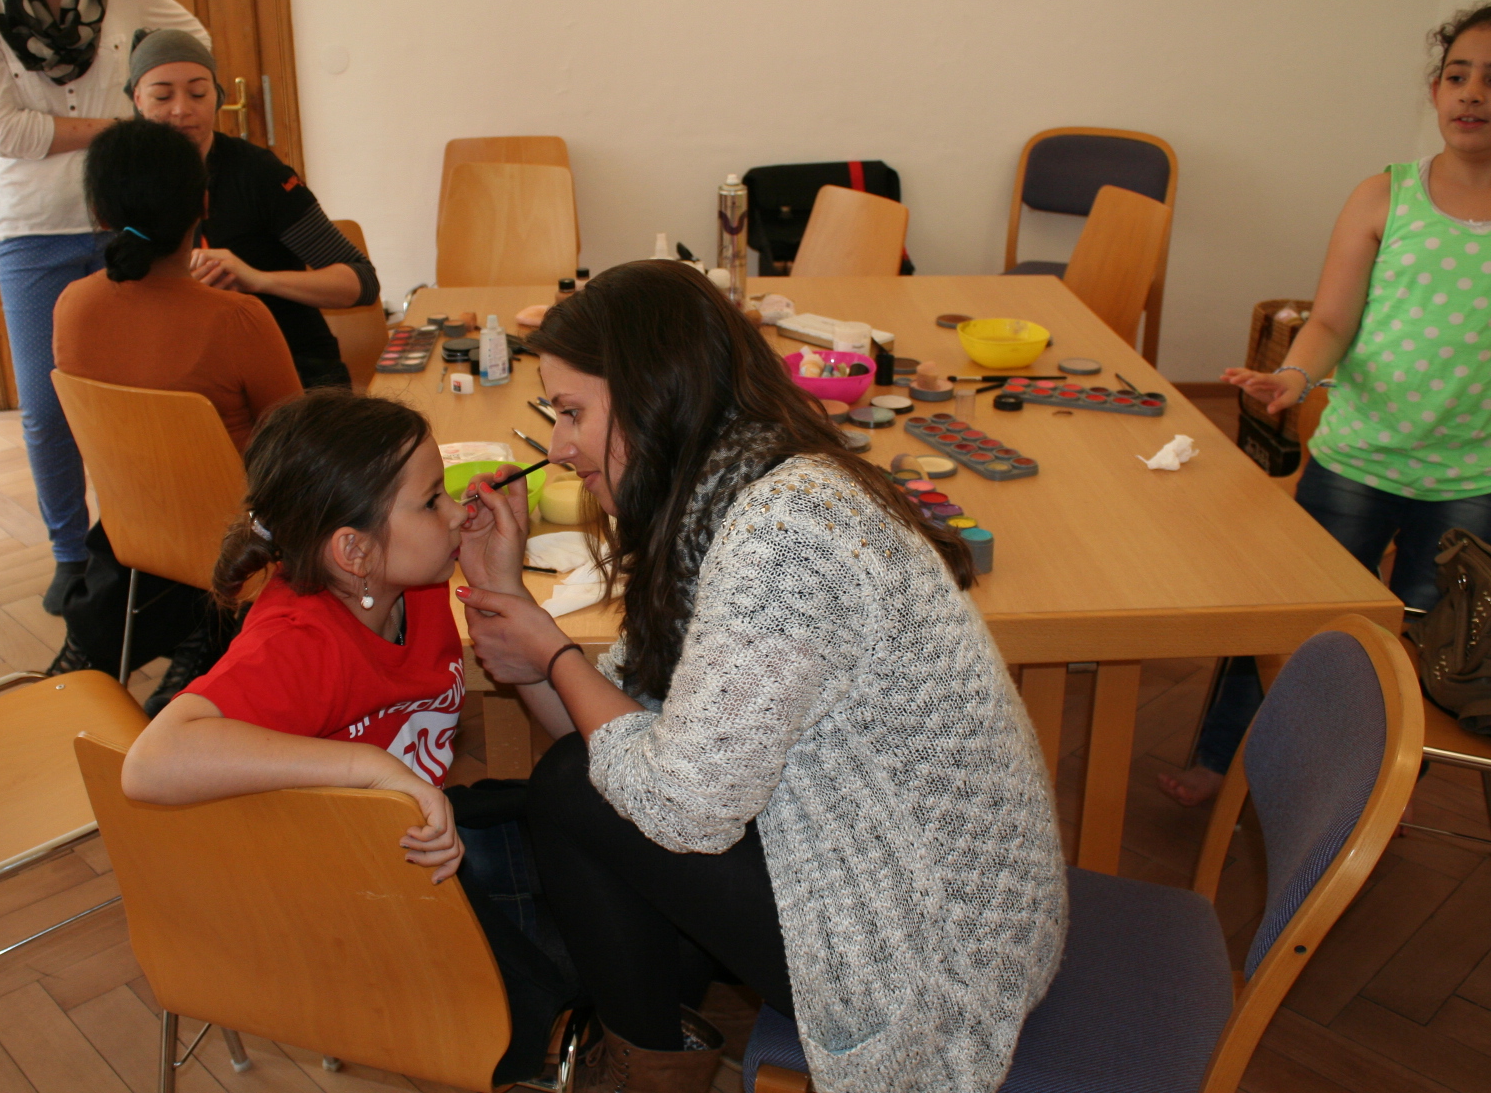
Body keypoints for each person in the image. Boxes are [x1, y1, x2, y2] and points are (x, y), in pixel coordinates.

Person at [455, 260, 1066, 1093]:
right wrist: (515, 611)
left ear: (650, 395)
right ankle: (648, 1048)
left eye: (571, 413)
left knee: (570, 789)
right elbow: (612, 735)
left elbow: (676, 801)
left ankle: (641, 1069)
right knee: (583, 786)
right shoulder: (724, 493)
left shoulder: (785, 533)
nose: (559, 448)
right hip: (901, 886)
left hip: (933, 955)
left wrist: (554, 654)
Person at [120, 389, 577, 1085]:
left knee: (587, 807)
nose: (459, 512)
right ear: (354, 551)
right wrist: (369, 767)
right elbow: (149, 763)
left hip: (406, 846)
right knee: (572, 971)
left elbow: (567, 726)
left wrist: (501, 587)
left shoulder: (412, 584)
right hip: (350, 896)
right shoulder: (298, 642)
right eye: (432, 501)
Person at [1162, 5, 1491, 807]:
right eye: (1458, 75)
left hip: (1470, 482)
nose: (1472, 94)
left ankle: (1373, 799)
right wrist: (1296, 377)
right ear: (1435, 89)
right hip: (1357, 460)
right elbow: (1332, 322)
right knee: (1291, 617)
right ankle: (1220, 759)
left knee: (1421, 653)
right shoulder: (1385, 196)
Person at [0, 0, 209, 615]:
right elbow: (6, 131)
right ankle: (71, 554)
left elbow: (193, 45)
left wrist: (156, 93)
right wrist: (130, 123)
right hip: (35, 229)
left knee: (154, 397)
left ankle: (153, 544)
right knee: (47, 409)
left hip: (130, 213)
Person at [51, 118, 301, 709]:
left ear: (99, 212)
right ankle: (208, 639)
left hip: (132, 528)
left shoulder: (72, 306)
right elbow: (300, 449)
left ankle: (164, 640)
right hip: (237, 545)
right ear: (203, 204)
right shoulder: (237, 320)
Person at [126, 28, 380, 389]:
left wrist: (257, 279)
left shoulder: (258, 174)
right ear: (138, 99)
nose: (181, 109)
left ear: (217, 97)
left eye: (198, 93)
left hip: (293, 371)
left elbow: (363, 281)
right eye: (163, 96)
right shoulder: (127, 180)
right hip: (192, 374)